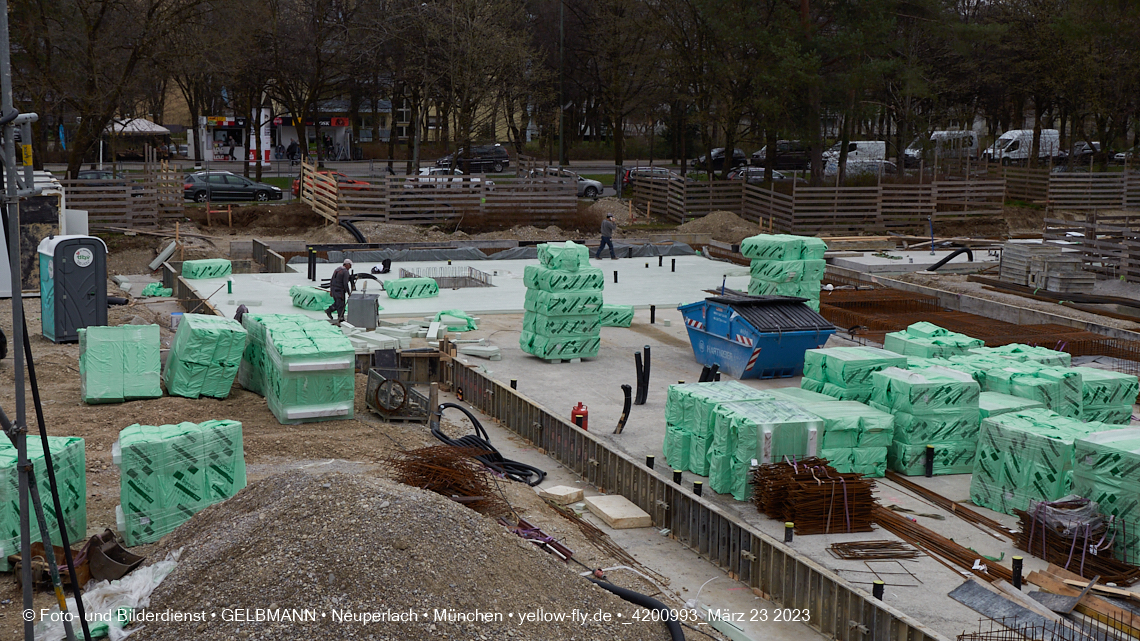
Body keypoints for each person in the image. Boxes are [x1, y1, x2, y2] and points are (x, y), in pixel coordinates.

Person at [326, 258, 354, 323]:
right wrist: (348, 292)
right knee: (340, 304)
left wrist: (331, 290)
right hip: (339, 290)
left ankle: (340, 316)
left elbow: (332, 280)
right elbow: (345, 283)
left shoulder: (337, 269)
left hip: (334, 289)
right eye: (350, 265)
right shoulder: (345, 271)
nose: (350, 267)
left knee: (338, 303)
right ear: (347, 264)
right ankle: (336, 314)